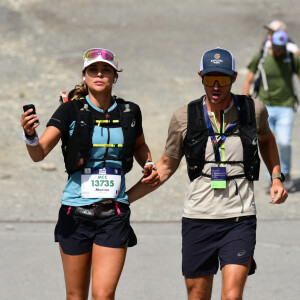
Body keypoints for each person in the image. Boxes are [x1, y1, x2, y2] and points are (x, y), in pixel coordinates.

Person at [127, 48, 288, 300]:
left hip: (240, 217)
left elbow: (267, 140)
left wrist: (276, 177)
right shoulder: (184, 117)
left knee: (232, 296)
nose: (215, 86)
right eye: (209, 78)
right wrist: (124, 199)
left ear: (234, 78)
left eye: (222, 79)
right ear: (200, 76)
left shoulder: (253, 110)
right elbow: (166, 166)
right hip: (198, 217)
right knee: (198, 295)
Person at [21, 48, 158, 300]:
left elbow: (139, 145)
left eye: (106, 70)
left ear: (115, 76)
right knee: (76, 296)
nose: (99, 74)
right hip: (76, 213)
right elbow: (39, 153)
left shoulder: (130, 111)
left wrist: (148, 164)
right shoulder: (70, 111)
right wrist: (30, 136)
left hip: (113, 215)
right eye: (93, 70)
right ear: (84, 76)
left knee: (104, 295)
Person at [243, 30, 300, 191]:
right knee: (267, 143)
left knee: (283, 141)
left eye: (281, 48)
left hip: (286, 106)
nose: (278, 51)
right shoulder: (261, 57)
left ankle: (286, 174)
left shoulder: (291, 58)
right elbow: (248, 80)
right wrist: (242, 105)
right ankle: (273, 179)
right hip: (264, 107)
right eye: (276, 47)